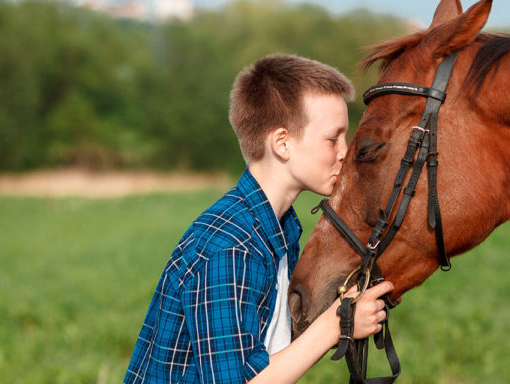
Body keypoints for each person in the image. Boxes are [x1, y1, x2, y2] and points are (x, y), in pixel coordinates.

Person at [124, 54, 393, 384]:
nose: (344, 151)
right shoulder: (229, 246)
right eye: (332, 138)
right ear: (282, 144)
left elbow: (268, 361)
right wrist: (336, 325)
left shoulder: (280, 229)